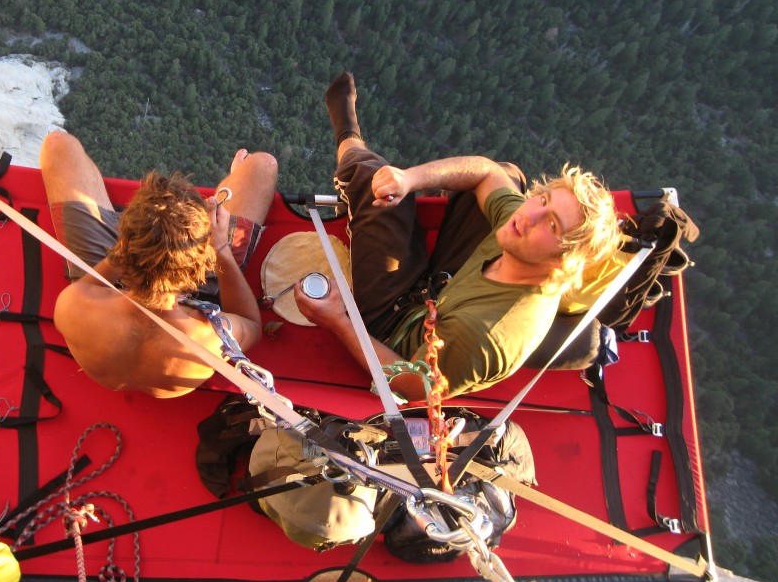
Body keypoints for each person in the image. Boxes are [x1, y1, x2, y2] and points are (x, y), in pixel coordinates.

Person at [294, 72, 620, 399]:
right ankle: (419, 196)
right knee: (507, 174)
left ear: (564, 259)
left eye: (551, 225)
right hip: (442, 291)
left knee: (368, 176)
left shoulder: (485, 335)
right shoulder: (519, 227)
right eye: (543, 199)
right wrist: (409, 179)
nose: (529, 214)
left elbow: (410, 385)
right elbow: (488, 172)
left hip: (395, 331)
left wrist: (339, 321)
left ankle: (348, 134)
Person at [40, 130, 278, 398]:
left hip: (115, 288)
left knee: (57, 144)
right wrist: (221, 248)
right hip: (179, 294)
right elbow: (251, 324)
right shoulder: (208, 338)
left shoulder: (75, 307)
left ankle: (144, 236)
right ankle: (226, 193)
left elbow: (90, 284)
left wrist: (132, 246)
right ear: (201, 266)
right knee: (263, 165)